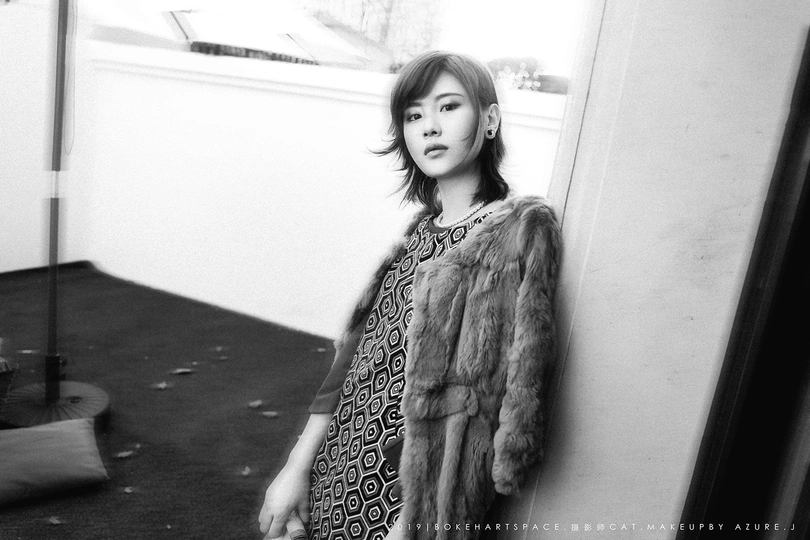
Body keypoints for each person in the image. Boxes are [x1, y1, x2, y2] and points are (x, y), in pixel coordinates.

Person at [258, 50, 561, 540]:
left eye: (449, 107)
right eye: (414, 116)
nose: (430, 127)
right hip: (340, 463)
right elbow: (354, 360)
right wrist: (297, 467)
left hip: (404, 496)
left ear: (489, 120)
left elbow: (492, 396)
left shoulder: (514, 233)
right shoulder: (419, 232)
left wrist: (413, 521)